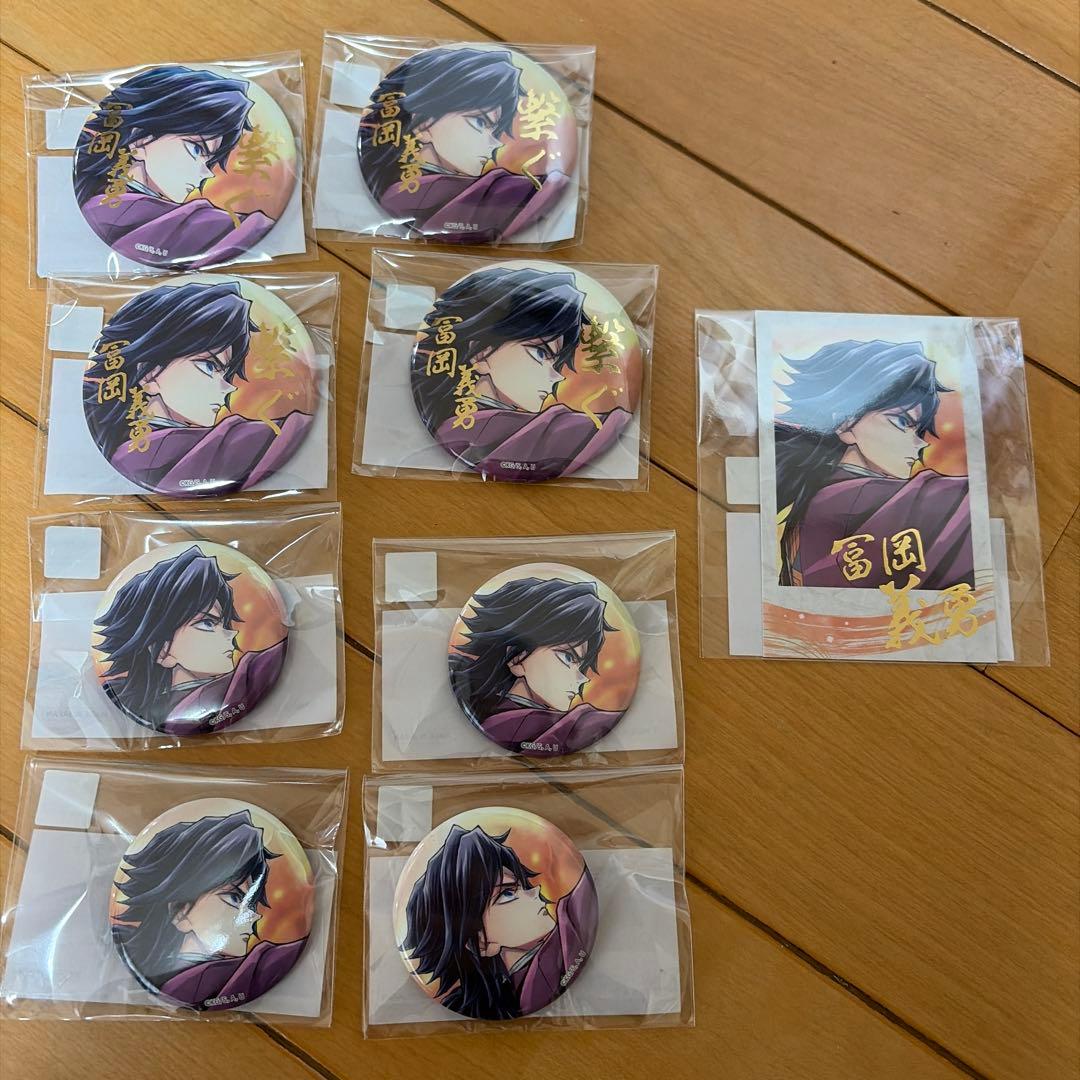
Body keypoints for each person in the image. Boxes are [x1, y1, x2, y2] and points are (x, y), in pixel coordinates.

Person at [774, 338, 974, 589]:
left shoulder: (820, 499)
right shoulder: (847, 499)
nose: (921, 444)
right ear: (846, 423)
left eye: (918, 430)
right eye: (902, 422)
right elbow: (963, 499)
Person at [83, 280, 312, 495]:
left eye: (226, 373)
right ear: (150, 374)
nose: (229, 388)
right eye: (210, 366)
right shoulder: (217, 446)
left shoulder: (134, 451)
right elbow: (285, 433)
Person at [412, 266, 631, 480]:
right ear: (480, 354)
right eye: (540, 353)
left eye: (556, 363)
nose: (558, 376)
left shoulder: (454, 429)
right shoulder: (557, 431)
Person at [75, 65, 277, 268]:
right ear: (140, 141)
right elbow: (244, 230)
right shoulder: (143, 217)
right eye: (197, 149)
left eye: (209, 160)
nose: (207, 173)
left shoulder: (104, 208)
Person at [359, 47, 569, 242]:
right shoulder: (503, 193)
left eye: (495, 130)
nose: (496, 143)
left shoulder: (500, 191)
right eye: (480, 122)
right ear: (424, 125)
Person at [112, 809, 307, 1010]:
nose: (254, 916)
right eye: (235, 898)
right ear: (180, 912)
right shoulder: (136, 962)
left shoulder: (257, 967)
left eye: (251, 902)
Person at [401, 824, 595, 1019]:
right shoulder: (490, 999)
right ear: (479, 941)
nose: (535, 891)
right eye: (508, 893)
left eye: (521, 886)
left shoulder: (569, 931)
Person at [94, 546, 286, 734]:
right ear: (162, 651)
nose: (232, 634)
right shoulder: (240, 683)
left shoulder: (245, 678)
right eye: (208, 623)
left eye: (224, 624)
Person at [450, 575, 621, 754]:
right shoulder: (557, 726)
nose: (583, 678)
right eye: (568, 657)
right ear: (517, 658)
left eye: (581, 665)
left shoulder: (490, 715)